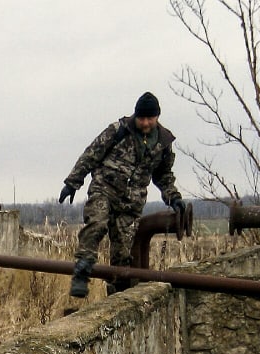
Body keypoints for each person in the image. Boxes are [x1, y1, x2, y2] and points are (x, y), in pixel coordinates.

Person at [57, 91, 186, 298]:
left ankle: (117, 296)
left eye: (149, 118)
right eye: (141, 118)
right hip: (105, 189)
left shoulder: (163, 143)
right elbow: (91, 154)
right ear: (136, 116)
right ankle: (82, 272)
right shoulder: (118, 131)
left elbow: (163, 175)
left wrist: (174, 197)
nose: (144, 123)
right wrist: (73, 183)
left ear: (157, 117)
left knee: (123, 253)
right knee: (96, 225)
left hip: (131, 203)